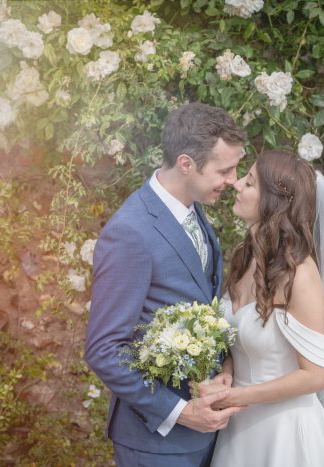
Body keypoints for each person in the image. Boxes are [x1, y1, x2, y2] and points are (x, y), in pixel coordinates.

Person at [84, 102, 247, 467]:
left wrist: (223, 371)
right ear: (186, 164)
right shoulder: (130, 232)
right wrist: (181, 412)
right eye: (225, 169)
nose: (234, 180)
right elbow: (104, 349)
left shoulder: (193, 208)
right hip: (156, 443)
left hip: (205, 433)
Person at [205, 150, 324, 466]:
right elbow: (241, 339)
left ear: (274, 201)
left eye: (249, 183)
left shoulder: (300, 274)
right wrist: (228, 372)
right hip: (239, 432)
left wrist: (237, 396)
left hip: (285, 434)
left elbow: (313, 378)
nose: (236, 185)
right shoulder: (244, 257)